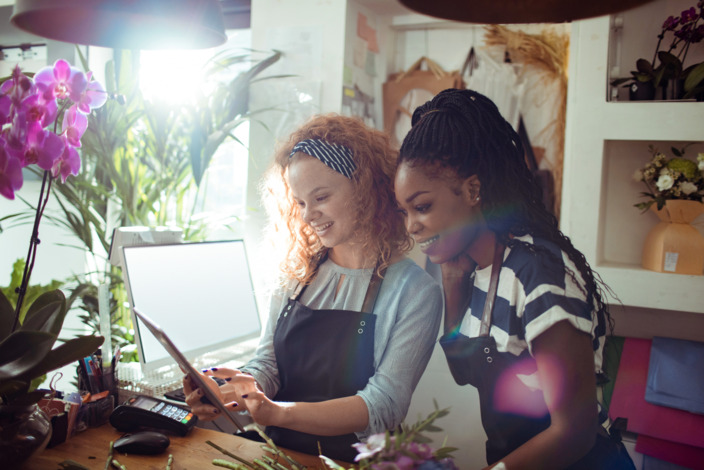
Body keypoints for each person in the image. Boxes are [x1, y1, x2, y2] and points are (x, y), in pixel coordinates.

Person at [394, 88, 636, 470]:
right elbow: (465, 371)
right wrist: (453, 278)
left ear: (473, 189)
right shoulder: (475, 270)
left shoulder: (536, 274)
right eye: (405, 212)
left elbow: (573, 432)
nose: (412, 227)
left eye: (422, 207)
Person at [183, 114, 443, 462]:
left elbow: (384, 405)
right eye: (301, 202)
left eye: (320, 197)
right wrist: (233, 390)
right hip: (275, 456)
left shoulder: (415, 292)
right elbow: (269, 364)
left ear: (366, 189)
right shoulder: (298, 273)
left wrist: (278, 413)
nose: (307, 215)